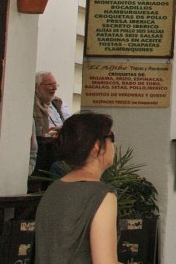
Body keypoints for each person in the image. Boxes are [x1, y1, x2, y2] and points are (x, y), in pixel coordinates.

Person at [35, 112, 118, 264]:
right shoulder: (101, 195)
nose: (114, 144)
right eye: (111, 137)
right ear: (97, 146)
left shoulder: (54, 189)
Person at [34, 72, 66, 137]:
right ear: (37, 86)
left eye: (55, 84)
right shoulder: (32, 105)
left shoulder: (57, 103)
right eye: (50, 84)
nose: (55, 88)